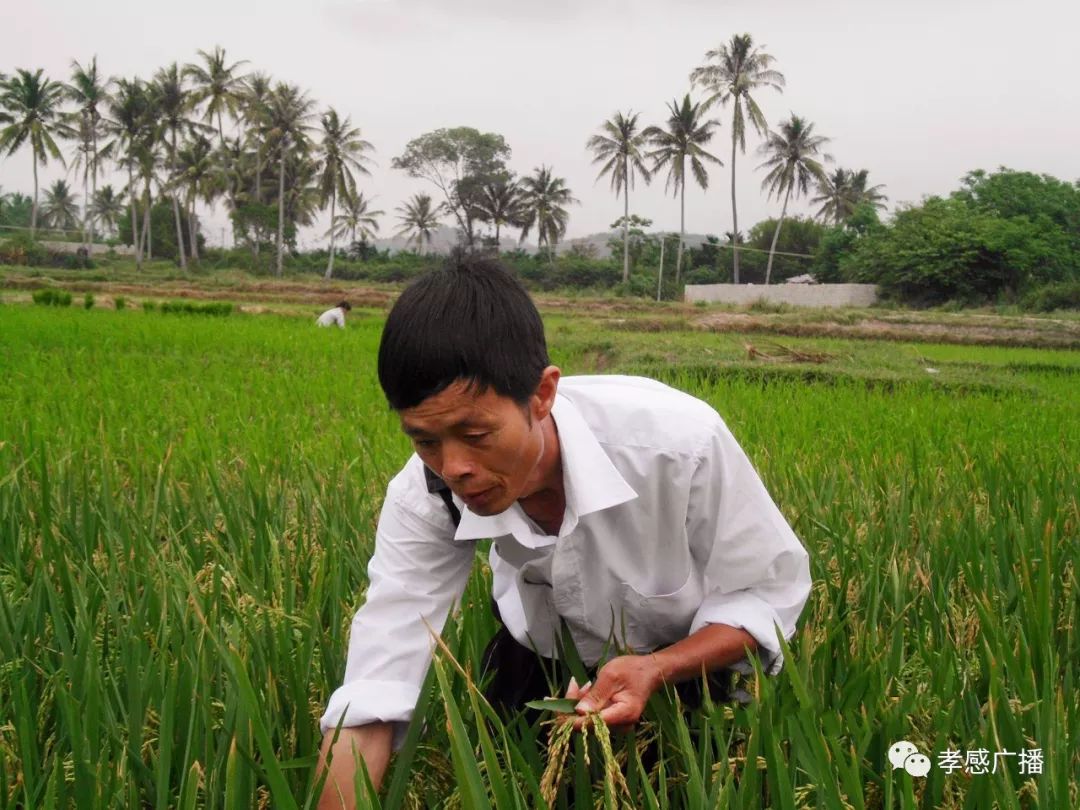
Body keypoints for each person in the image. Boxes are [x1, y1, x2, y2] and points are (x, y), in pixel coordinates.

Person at [315, 255, 812, 807]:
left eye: (475, 433)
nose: (453, 468)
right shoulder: (426, 494)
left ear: (542, 395)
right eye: (425, 440)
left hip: (686, 667)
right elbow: (381, 669)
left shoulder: (676, 446)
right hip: (535, 665)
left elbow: (766, 591)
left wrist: (658, 668)